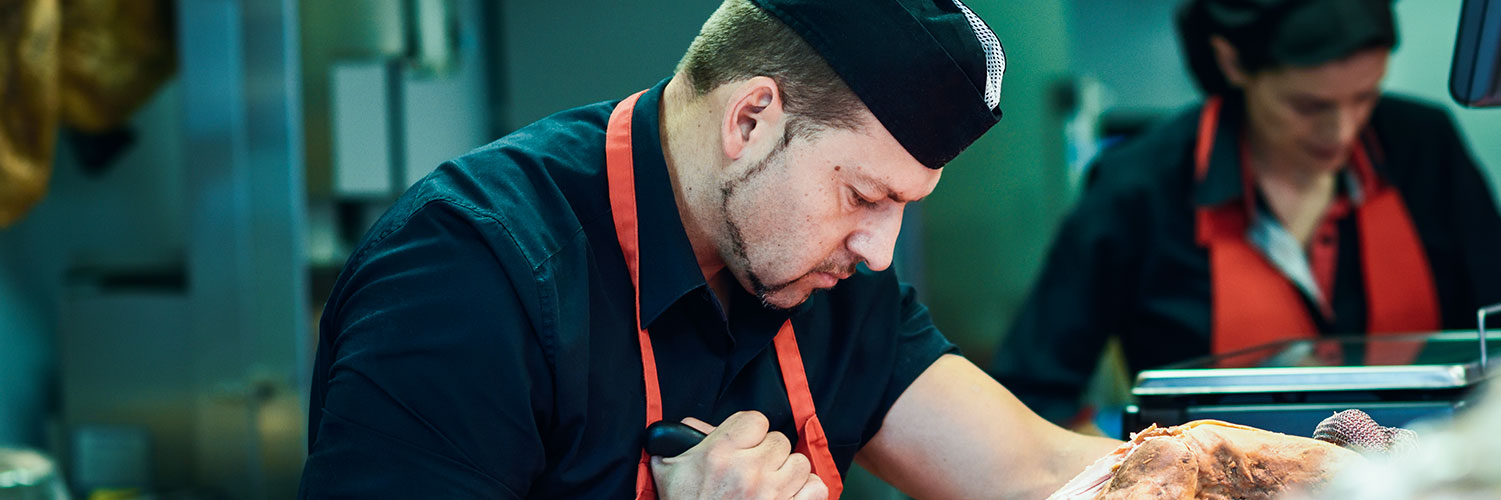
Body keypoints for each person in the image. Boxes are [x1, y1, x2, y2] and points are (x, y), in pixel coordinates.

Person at [297, 1, 1117, 498]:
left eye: (903, 206)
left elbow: (1039, 476)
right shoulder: (470, 276)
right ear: (750, 120)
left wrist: (1197, 462)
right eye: (866, 197)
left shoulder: (824, 274)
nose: (878, 251)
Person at [992, 0, 1501, 425]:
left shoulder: (1423, 147)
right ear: (1232, 62)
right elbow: (1031, 393)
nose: (1343, 131)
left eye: (1365, 97)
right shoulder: (1138, 188)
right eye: (1310, 106)